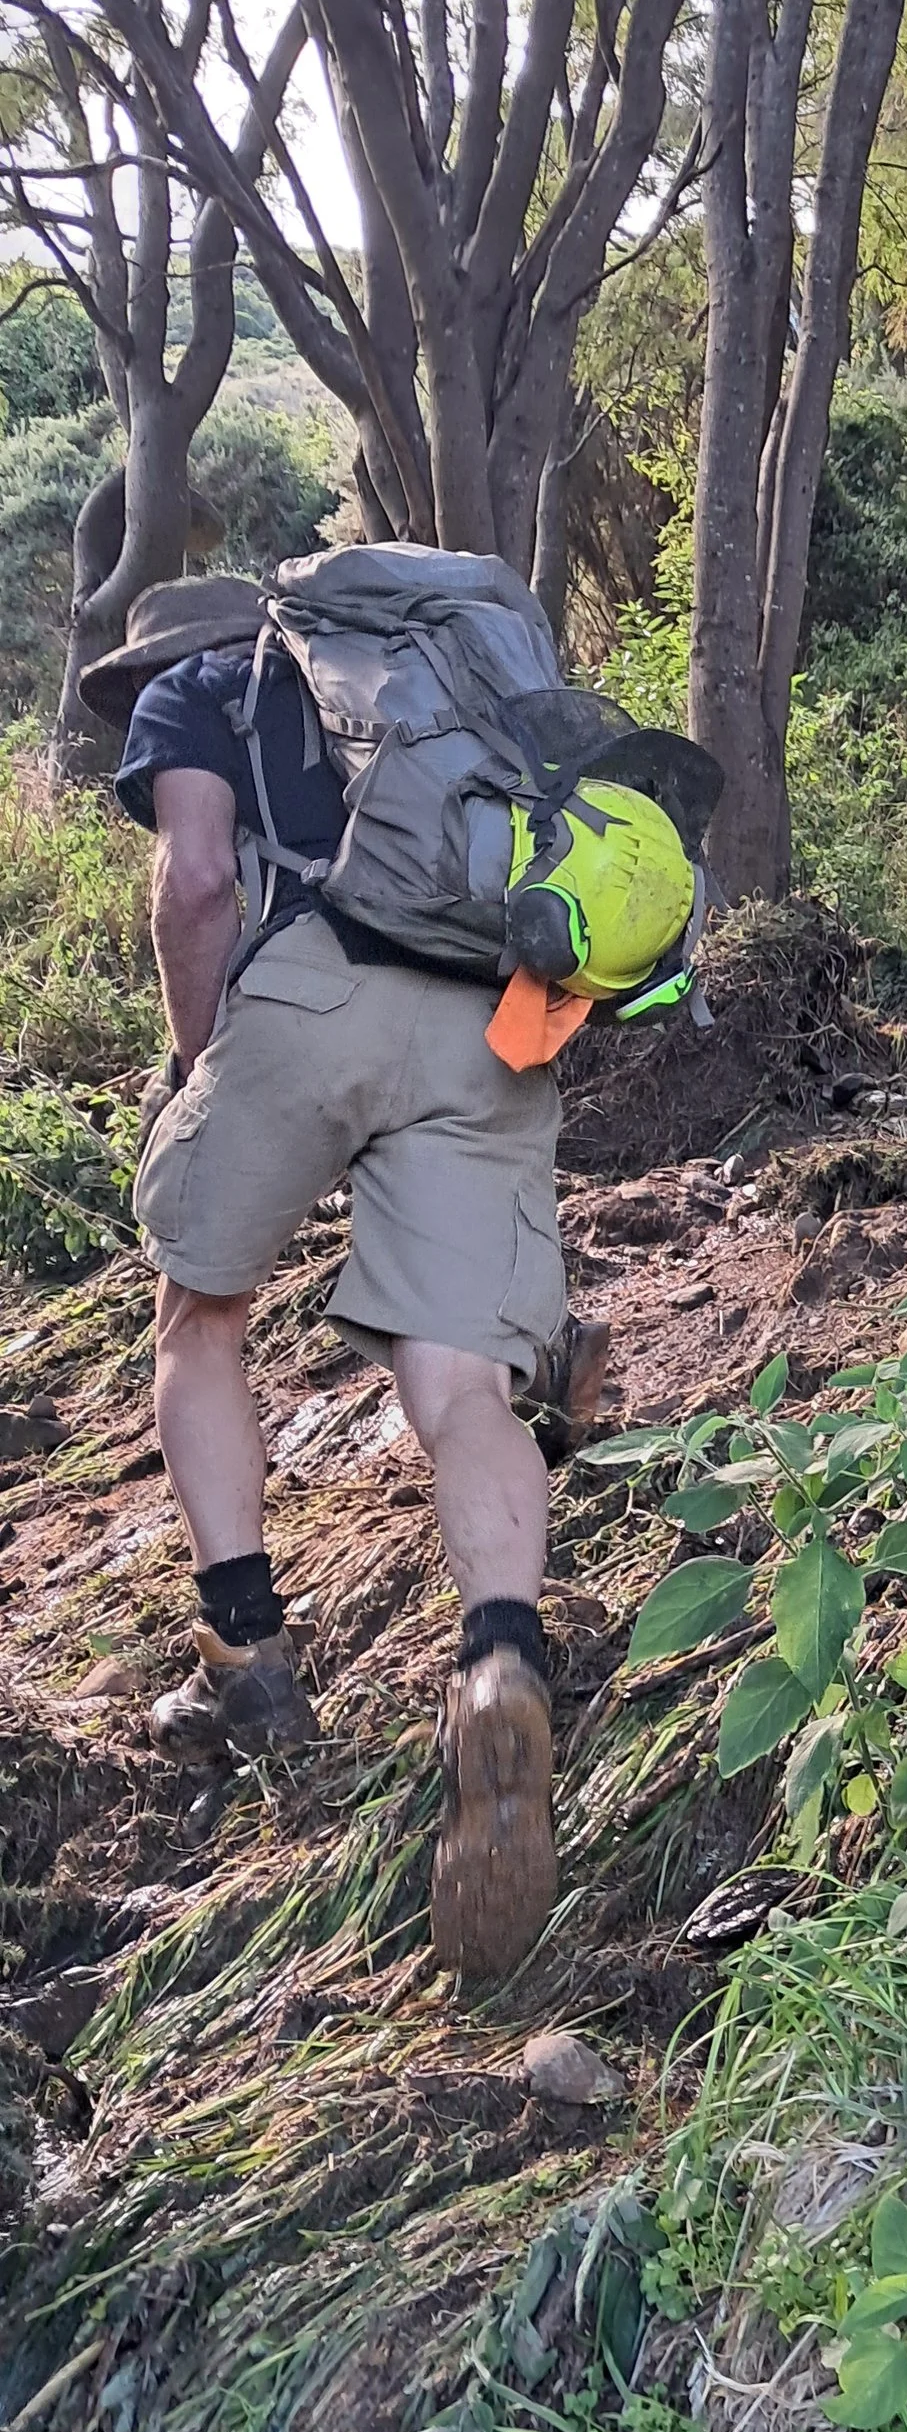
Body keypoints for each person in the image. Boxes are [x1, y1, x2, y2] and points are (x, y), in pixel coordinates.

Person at [84, 571, 606, 1982]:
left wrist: (196, 1060)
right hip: (485, 1022)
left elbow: (199, 881)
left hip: (304, 994)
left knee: (200, 1316)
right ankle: (498, 1659)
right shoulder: (434, 693)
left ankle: (248, 1656)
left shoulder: (202, 686)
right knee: (463, 1384)